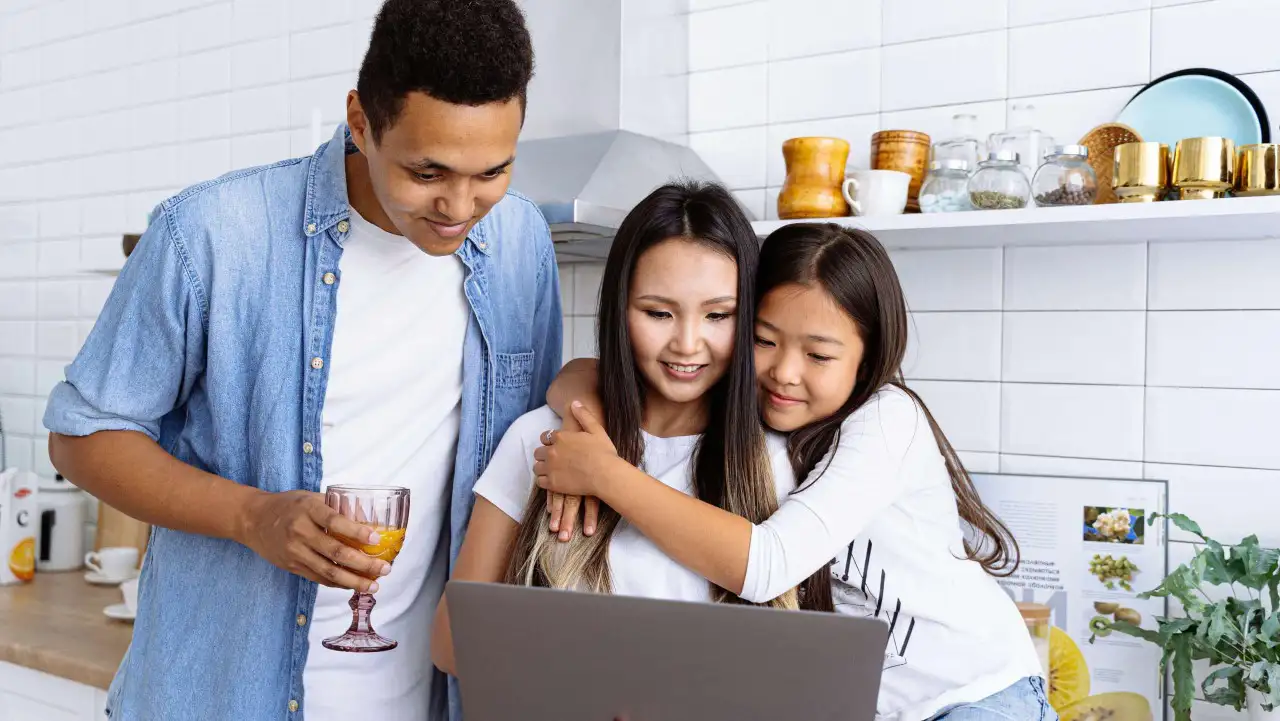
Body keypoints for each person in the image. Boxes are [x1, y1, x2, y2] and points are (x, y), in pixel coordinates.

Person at [41, 1, 559, 719]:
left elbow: (526, 442)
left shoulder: (522, 242)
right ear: (359, 121)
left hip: (429, 698)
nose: (459, 205)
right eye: (427, 170)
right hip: (222, 696)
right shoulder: (215, 235)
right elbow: (81, 435)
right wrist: (253, 516)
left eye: (492, 171)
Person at [535, 223, 1053, 721]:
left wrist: (605, 474)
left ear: (868, 359)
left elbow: (767, 565)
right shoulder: (749, 412)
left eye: (819, 355)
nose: (784, 372)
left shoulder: (886, 419)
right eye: (764, 341)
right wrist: (589, 414)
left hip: (973, 695)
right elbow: (583, 373)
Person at [430, 181, 830, 678]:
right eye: (658, 313)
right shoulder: (542, 440)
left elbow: (799, 673)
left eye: (718, 315)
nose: (687, 344)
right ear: (621, 312)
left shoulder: (778, 461)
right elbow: (451, 644)